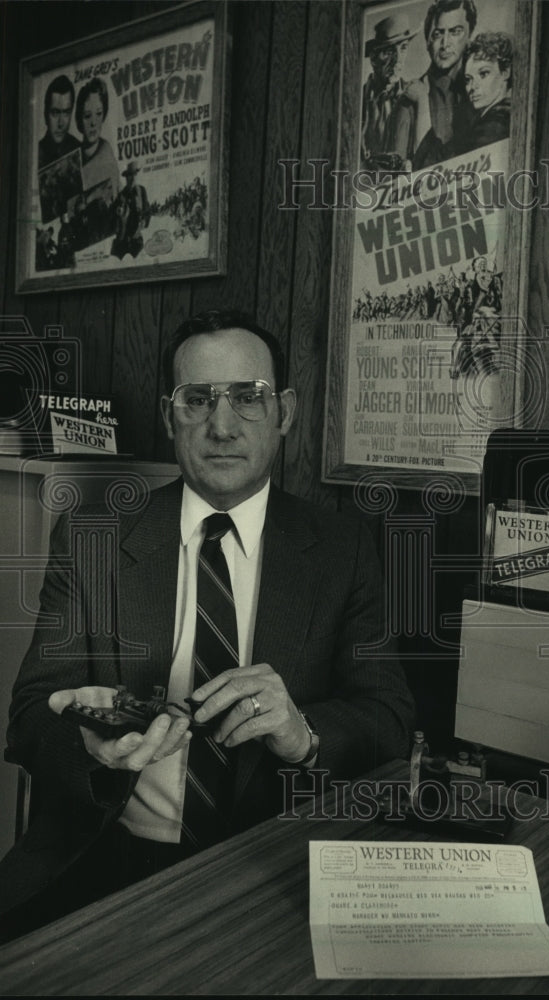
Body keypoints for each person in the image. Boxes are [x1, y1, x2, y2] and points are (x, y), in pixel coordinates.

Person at [0, 310, 415, 940]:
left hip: (274, 870)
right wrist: (87, 745)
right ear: (170, 417)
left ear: (285, 413)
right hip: (103, 860)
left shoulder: (341, 548)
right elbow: (30, 715)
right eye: (198, 400)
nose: (222, 426)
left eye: (249, 398)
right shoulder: (94, 538)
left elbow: (389, 719)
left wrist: (303, 734)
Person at [391, 0, 477, 171]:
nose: (445, 44)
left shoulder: (483, 88)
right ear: (427, 42)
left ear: (469, 35)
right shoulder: (410, 100)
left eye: (455, 32)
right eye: (437, 34)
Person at [361, 13, 419, 170]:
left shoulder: (414, 98)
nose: (398, 59)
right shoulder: (356, 101)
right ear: (373, 59)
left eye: (403, 48)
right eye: (388, 51)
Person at [453, 32, 513, 155]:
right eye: (468, 79)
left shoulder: (496, 124)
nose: (473, 87)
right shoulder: (489, 118)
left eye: (483, 74)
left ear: (505, 72)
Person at [76, 76, 120, 206]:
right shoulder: (72, 157)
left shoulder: (107, 156)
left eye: (99, 114)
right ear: (79, 119)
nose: (93, 123)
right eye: (87, 116)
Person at [37, 74, 79, 170]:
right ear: (45, 114)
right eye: (55, 113)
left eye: (66, 113)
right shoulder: (35, 154)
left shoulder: (79, 149)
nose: (61, 123)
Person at [111, 162, 150, 259]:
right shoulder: (121, 195)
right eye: (130, 175)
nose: (132, 178)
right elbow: (113, 217)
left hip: (137, 241)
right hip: (123, 241)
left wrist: (144, 220)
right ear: (126, 177)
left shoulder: (141, 191)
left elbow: (147, 211)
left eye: (134, 175)